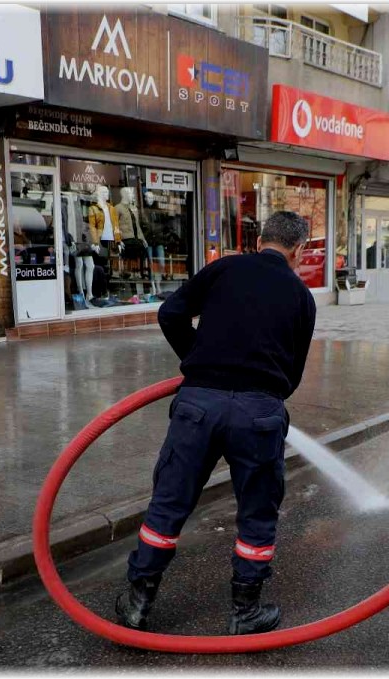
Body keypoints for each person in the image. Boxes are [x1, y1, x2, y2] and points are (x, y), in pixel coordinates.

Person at [115, 211, 318, 635]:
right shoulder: (302, 297)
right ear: (298, 250)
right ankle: (245, 612)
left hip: (197, 406)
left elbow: (170, 313)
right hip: (259, 413)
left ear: (260, 238)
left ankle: (138, 602)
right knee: (257, 514)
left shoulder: (223, 267)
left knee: (169, 504)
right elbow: (293, 375)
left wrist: (198, 360)